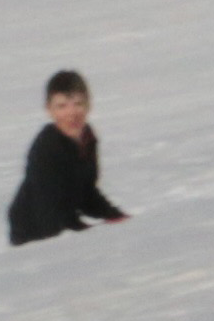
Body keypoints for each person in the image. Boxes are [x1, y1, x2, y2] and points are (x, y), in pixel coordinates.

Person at [7, 69, 128, 246]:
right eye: (62, 106)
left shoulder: (88, 139)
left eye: (78, 104)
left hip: (65, 220)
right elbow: (47, 207)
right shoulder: (47, 147)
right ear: (49, 110)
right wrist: (78, 234)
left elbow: (86, 193)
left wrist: (115, 216)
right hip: (34, 233)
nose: (72, 113)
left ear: (88, 105)